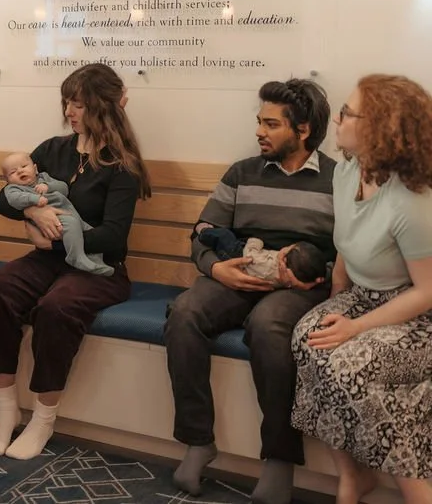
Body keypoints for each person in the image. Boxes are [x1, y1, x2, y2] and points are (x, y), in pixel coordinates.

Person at [163, 79, 335, 504]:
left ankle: (279, 458)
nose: (259, 130)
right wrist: (218, 269)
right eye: (259, 121)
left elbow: (349, 254)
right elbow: (202, 235)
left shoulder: (338, 179)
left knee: (268, 325)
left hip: (298, 286)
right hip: (238, 273)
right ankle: (197, 440)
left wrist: (315, 275)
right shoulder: (241, 172)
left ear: (304, 130)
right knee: (183, 312)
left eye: (271, 124)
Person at [0, 63, 151, 460]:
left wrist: (55, 234)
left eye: (79, 104)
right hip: (49, 261)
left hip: (99, 268)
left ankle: (42, 418)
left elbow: (114, 236)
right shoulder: (53, 150)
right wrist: (33, 214)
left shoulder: (121, 165)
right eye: (67, 102)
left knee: (55, 309)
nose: (70, 111)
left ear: (103, 107)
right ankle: (5, 411)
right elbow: (3, 198)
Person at [292, 75, 432, 504]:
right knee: (307, 340)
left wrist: (355, 328)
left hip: (415, 313)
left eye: (348, 113)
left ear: (380, 127)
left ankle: (416, 490)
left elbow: (427, 291)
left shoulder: (411, 199)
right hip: (365, 298)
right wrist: (336, 302)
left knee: (348, 365)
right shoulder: (347, 170)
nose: (337, 118)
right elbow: (345, 245)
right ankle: (354, 476)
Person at [0, 151, 113, 276]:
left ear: (35, 169)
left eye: (24, 166)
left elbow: (63, 188)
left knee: (91, 232)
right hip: (57, 220)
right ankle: (76, 257)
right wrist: (34, 200)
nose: (20, 171)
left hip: (70, 213)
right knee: (71, 224)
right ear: (8, 180)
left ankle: (96, 262)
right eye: (13, 172)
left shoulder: (44, 178)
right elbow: (14, 199)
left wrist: (48, 186)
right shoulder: (13, 189)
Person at [196, 226, 326, 285]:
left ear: (284, 261)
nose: (286, 248)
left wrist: (256, 241)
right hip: (228, 268)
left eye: (290, 248)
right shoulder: (287, 276)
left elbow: (250, 257)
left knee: (224, 235)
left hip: (239, 257)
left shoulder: (268, 265)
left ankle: (203, 232)